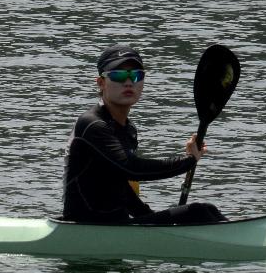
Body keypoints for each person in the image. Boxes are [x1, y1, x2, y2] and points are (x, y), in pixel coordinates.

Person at [62, 44, 226, 224]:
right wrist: (188, 161)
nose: (128, 82)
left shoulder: (128, 129)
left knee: (205, 210)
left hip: (115, 225)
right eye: (119, 75)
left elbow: (121, 187)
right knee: (197, 212)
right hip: (84, 226)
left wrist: (152, 219)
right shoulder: (92, 124)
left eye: (136, 75)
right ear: (101, 83)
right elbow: (132, 168)